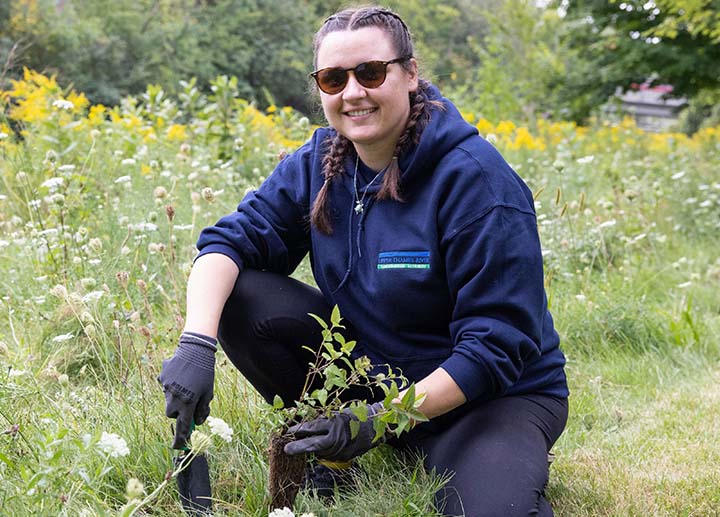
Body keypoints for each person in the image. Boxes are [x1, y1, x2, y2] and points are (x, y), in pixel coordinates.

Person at [158, 6, 569, 516]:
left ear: (410, 73)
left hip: (487, 398)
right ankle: (333, 456)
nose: (353, 92)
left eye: (370, 73)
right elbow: (227, 243)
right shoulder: (321, 161)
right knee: (238, 295)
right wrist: (196, 344)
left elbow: (496, 346)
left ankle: (451, 452)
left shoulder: (477, 183)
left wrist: (382, 419)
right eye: (333, 79)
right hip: (374, 380)